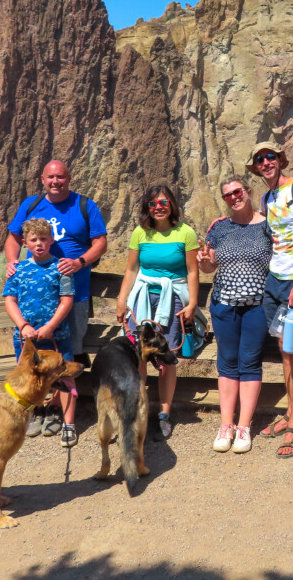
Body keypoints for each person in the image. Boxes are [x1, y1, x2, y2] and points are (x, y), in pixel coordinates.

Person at [248, 142, 293, 459]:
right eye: (260, 160)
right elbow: (263, 229)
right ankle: (289, 415)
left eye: (271, 157)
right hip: (274, 281)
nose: (266, 163)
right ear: (256, 167)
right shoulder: (268, 198)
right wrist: (220, 225)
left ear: (280, 160)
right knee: (283, 350)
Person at [115, 185, 200, 440]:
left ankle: (164, 413)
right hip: (141, 298)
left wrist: (192, 303)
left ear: (172, 204)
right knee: (139, 355)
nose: (159, 207)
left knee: (166, 356)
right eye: (153, 204)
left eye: (163, 202)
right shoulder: (140, 233)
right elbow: (131, 270)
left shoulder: (185, 233)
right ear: (147, 207)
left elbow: (193, 271)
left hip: (172, 297)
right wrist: (121, 300)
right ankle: (140, 409)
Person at [5, 160, 108, 371]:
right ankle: (46, 401)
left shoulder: (85, 205)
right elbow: (13, 238)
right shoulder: (31, 205)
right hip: (35, 297)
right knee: (35, 353)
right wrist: (11, 262)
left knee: (70, 351)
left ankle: (70, 399)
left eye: (60, 177)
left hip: (73, 293)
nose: (55, 181)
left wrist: (80, 262)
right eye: (50, 177)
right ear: (43, 180)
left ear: (69, 179)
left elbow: (101, 243)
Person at [197, 175, 273, 454]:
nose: (234, 197)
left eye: (237, 192)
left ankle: (244, 427)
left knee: (250, 363)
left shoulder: (268, 225)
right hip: (224, 304)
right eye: (228, 195)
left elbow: (286, 255)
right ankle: (225, 425)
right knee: (227, 363)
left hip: (257, 306)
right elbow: (209, 267)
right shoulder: (219, 228)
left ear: (249, 192)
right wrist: (204, 263)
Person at [2, 218, 78, 447]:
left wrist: (51, 326)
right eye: (33, 240)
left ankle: (68, 423)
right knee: (28, 376)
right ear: (25, 243)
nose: (39, 244)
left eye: (43, 239)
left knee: (65, 376)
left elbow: (66, 300)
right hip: (26, 338)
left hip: (57, 335)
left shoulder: (61, 268)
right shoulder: (18, 269)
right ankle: (32, 416)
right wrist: (23, 325)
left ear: (51, 240)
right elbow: (10, 301)